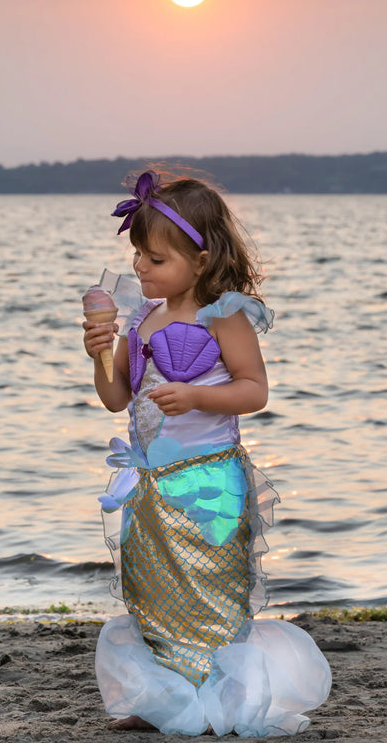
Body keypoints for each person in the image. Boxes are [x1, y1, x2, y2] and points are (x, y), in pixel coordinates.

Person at [82, 170, 331, 737]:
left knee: (212, 591)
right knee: (153, 589)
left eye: (156, 259)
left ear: (201, 260)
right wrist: (98, 356)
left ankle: (221, 703)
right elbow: (116, 397)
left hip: (208, 483)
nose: (140, 267)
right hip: (150, 488)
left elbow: (254, 390)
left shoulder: (225, 316)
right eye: (138, 255)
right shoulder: (140, 319)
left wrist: (196, 395)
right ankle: (166, 701)